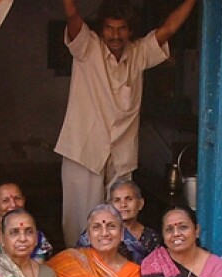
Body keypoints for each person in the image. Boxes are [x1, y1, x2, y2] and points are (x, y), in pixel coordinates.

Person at [56, 0, 198, 245]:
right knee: (79, 225)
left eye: (121, 28)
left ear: (130, 30)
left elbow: (169, 28)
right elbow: (72, 14)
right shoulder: (87, 47)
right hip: (83, 152)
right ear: (101, 30)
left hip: (121, 156)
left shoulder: (138, 53)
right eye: (110, 28)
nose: (115, 35)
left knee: (120, 223)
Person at [76, 178, 161, 262]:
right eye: (117, 200)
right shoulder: (94, 233)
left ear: (140, 204)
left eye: (129, 199)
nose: (123, 205)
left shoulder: (150, 237)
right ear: (110, 205)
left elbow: (155, 270)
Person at [0, 181, 53, 264]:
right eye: (5, 200)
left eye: (17, 198)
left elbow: (38, 270)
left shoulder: (35, 234)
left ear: (24, 200)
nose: (13, 205)